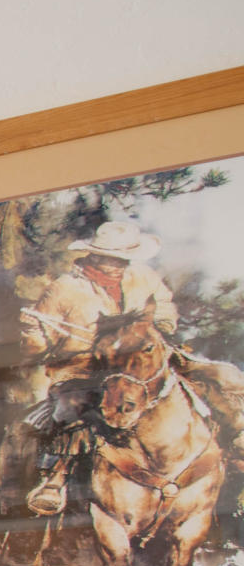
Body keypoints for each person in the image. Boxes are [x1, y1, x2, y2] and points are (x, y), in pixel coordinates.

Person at [17, 219, 244, 514]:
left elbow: (163, 305)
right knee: (70, 407)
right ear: (93, 255)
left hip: (145, 357)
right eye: (110, 258)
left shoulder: (143, 277)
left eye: (123, 259)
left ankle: (238, 441)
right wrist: (38, 341)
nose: (117, 265)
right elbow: (34, 329)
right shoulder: (64, 288)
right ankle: (56, 477)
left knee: (224, 375)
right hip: (86, 364)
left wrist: (160, 325)